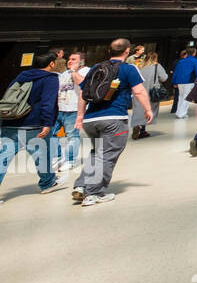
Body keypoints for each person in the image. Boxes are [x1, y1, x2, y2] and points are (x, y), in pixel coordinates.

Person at [74, 38, 152, 206]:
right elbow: (138, 91)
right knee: (108, 156)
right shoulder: (128, 68)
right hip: (114, 118)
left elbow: (83, 93)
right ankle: (93, 193)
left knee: (97, 153)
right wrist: (148, 109)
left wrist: (80, 115)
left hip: (90, 118)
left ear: (109, 51)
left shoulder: (96, 67)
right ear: (127, 51)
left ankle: (81, 186)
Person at [0, 51, 63, 200]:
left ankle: (48, 182)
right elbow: (47, 103)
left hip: (10, 123)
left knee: (2, 158)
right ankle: (47, 183)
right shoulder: (50, 78)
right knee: (42, 156)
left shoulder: (22, 76)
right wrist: (47, 123)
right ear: (51, 63)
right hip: (34, 125)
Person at [52, 51, 86, 174]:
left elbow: (82, 83)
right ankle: (56, 157)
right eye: (69, 59)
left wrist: (73, 71)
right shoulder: (64, 73)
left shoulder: (86, 71)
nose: (69, 61)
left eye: (73, 59)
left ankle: (69, 160)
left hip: (73, 109)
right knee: (51, 133)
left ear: (81, 61)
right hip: (59, 109)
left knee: (72, 136)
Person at [132, 52, 167, 139]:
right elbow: (164, 78)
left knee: (139, 110)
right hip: (151, 92)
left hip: (138, 91)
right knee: (148, 111)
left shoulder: (139, 66)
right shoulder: (157, 66)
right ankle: (142, 130)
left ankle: (137, 125)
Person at [171, 47, 197, 119]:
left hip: (180, 82)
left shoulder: (181, 61)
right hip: (189, 81)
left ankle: (178, 112)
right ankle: (182, 114)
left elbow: (176, 72)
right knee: (187, 98)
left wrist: (174, 81)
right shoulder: (195, 61)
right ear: (194, 53)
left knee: (181, 97)